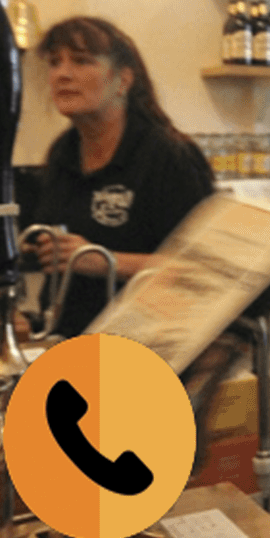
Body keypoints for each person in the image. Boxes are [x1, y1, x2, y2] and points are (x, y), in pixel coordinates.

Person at [28, 17, 215, 335]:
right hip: (68, 342)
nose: (62, 73)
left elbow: (202, 271)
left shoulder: (168, 156)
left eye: (81, 61)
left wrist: (104, 262)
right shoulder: (63, 151)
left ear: (123, 80)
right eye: (55, 62)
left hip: (146, 349)